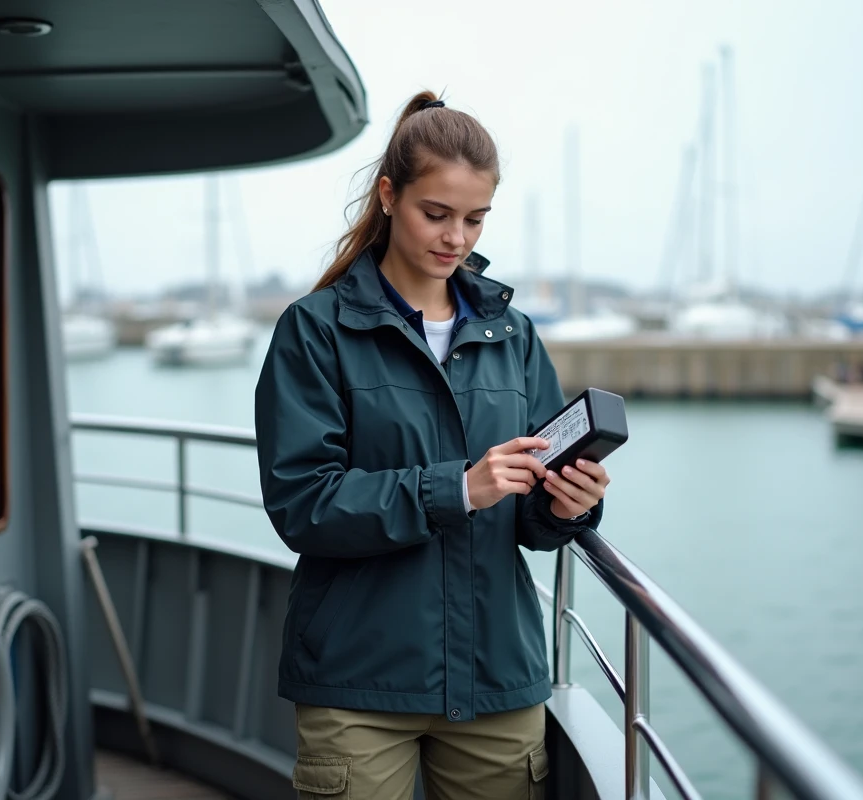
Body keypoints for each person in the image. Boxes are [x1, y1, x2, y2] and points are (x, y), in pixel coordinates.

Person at [254, 90, 610, 800]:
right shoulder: (316, 331)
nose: (457, 238)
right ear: (389, 196)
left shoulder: (515, 337)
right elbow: (302, 503)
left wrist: (570, 507)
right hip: (359, 680)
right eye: (436, 214)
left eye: (475, 219)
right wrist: (458, 488)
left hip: (495, 678)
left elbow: (534, 520)